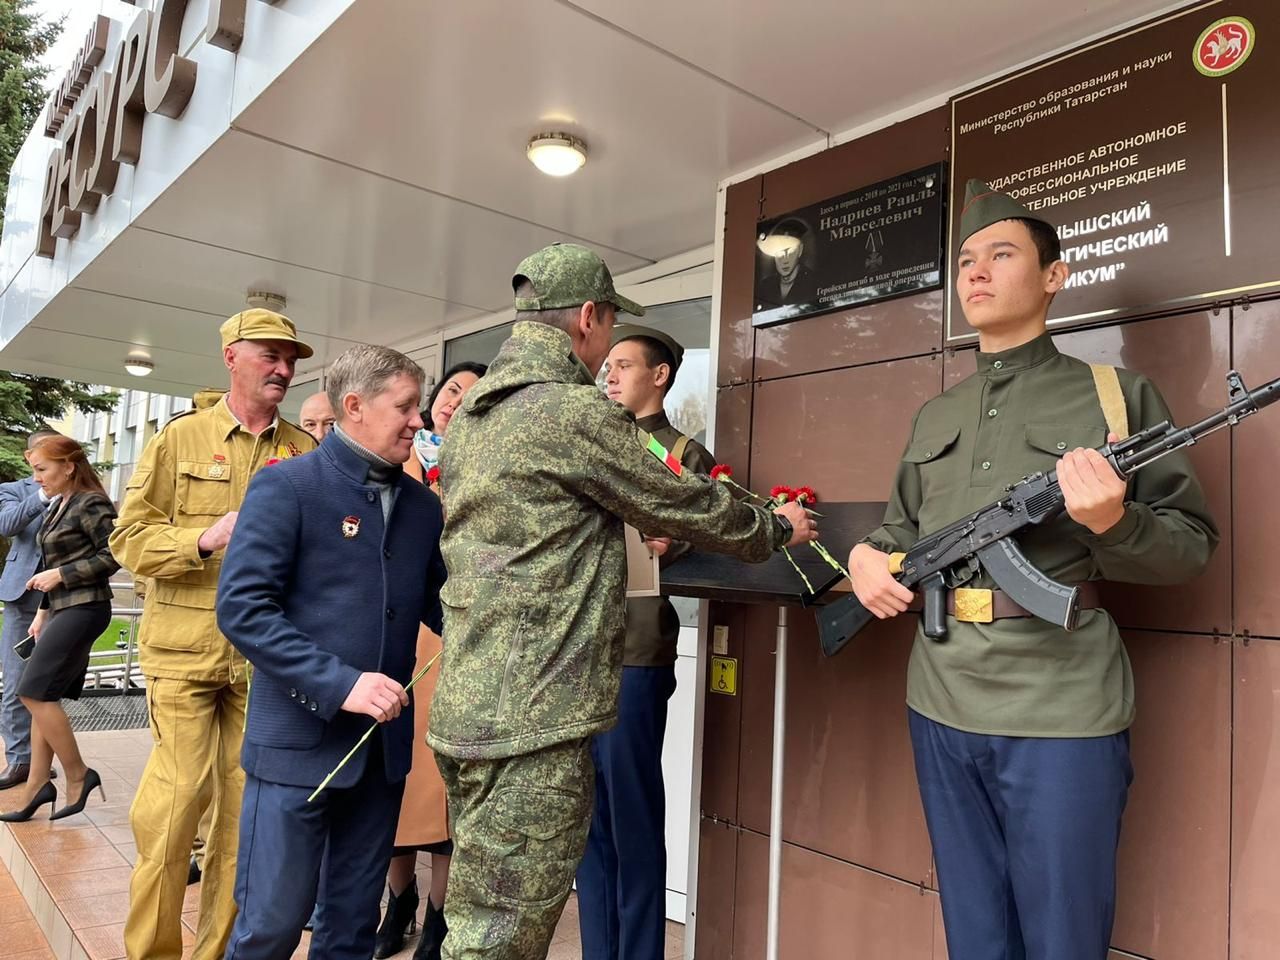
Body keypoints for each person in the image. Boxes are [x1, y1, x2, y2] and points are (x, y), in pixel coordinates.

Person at [847, 180, 1218, 960]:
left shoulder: (1116, 399)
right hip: (940, 696)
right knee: (975, 932)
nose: (975, 273)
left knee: (1062, 937)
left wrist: (1113, 522)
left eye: (1002, 254)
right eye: (966, 261)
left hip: (1062, 707)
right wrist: (861, 558)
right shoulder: (937, 414)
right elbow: (898, 530)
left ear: (1054, 276)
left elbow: (1190, 546)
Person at [428, 242, 817, 959]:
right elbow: (686, 503)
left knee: (479, 917)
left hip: (470, 710)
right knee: (497, 943)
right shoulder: (570, 413)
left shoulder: (475, 418)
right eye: (609, 331)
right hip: (536, 722)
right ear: (587, 318)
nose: (606, 354)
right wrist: (776, 525)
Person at [216, 344, 448, 960]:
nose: (418, 421)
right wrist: (341, 684)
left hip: (378, 759)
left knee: (348, 934)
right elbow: (243, 610)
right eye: (404, 407)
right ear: (355, 407)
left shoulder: (424, 508)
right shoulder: (286, 486)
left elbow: (439, 604)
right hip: (295, 751)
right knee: (271, 927)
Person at [110, 309, 316, 960]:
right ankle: (152, 953)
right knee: (176, 806)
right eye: (270, 356)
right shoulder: (180, 439)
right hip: (185, 649)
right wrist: (203, 536)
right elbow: (128, 538)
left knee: (243, 820)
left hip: (266, 662)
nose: (283, 369)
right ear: (232, 356)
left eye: (290, 359)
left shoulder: (304, 452)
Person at [574, 326, 711, 960]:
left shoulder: (686, 453)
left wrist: (673, 541)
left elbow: (712, 536)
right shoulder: (590, 441)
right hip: (577, 650)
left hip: (637, 647)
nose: (610, 375)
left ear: (659, 376)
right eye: (608, 365)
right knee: (588, 819)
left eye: (624, 365)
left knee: (630, 812)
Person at [375, 360, 486, 960]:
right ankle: (399, 904)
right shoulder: (395, 464)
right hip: (398, 641)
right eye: (449, 390)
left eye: (470, 395)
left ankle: (441, 918)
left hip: (453, 645)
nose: (453, 402)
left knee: (440, 790)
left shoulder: (481, 469)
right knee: (395, 778)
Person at [0, 435, 119, 822]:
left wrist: (61, 575)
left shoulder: (91, 502)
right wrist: (42, 613)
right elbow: (52, 563)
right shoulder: (58, 505)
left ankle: (79, 774)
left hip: (86, 608)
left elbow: (115, 553)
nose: (36, 479)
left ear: (68, 467)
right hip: (62, 609)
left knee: (32, 692)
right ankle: (37, 785)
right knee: (40, 694)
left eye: (42, 469)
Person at [0, 429, 61, 789]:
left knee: (49, 685)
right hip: (22, 598)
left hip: (64, 599)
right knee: (15, 683)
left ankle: (42, 761)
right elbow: (7, 524)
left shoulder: (77, 489)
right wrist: (43, 493)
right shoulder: (15, 490)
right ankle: (20, 760)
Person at [758, 219, 817, 307]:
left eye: (791, 251)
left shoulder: (813, 282)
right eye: (779, 252)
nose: (785, 260)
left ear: (800, 250)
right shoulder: (765, 286)